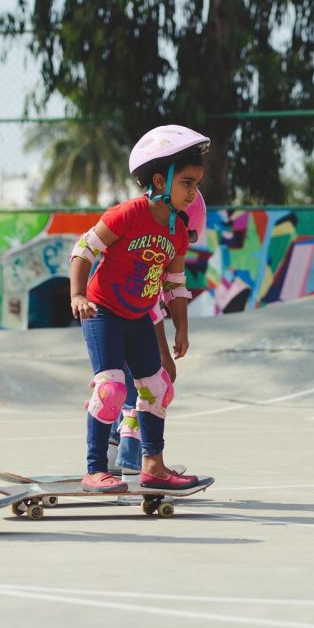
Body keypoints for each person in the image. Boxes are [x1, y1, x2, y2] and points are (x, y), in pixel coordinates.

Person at [68, 124, 206, 493]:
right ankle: (96, 469)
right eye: (187, 183)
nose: (194, 193)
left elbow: (175, 285)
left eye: (196, 184)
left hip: (139, 316)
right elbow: (84, 249)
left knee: (157, 388)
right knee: (111, 389)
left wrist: (182, 329)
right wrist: (77, 295)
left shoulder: (178, 232)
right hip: (103, 312)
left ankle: (153, 467)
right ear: (160, 181)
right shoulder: (127, 214)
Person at [111, 190, 208, 481]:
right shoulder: (152, 251)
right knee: (148, 388)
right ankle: (130, 462)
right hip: (123, 321)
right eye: (185, 238)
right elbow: (150, 311)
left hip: (110, 321)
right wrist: (164, 355)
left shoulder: (144, 240)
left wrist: (182, 328)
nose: (182, 248)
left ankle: (109, 456)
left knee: (118, 390)